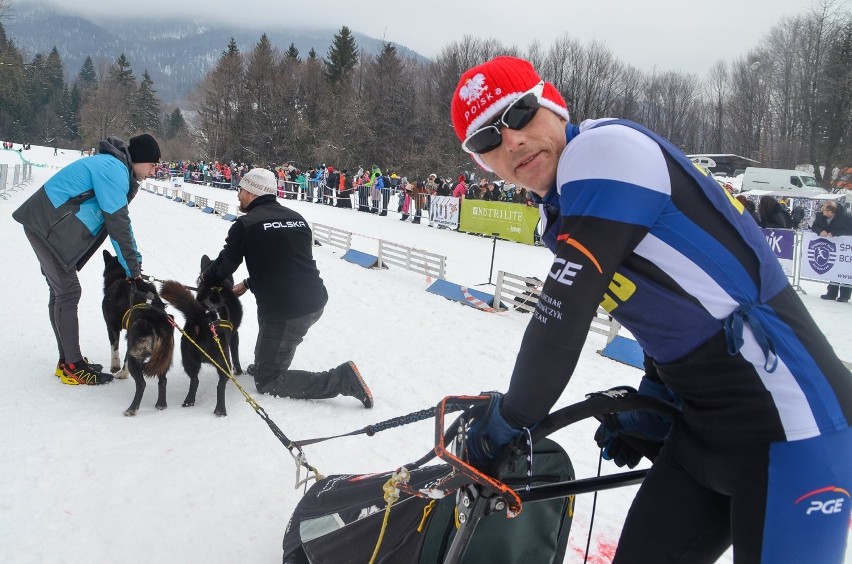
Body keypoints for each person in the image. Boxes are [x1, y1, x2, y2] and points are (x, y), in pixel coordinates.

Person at [451, 56, 851, 563]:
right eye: (486, 139)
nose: (512, 141)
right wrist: (655, 394)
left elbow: (562, 317)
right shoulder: (564, 202)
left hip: (795, 425)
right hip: (704, 427)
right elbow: (668, 304)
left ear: (554, 106)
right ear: (482, 162)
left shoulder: (602, 152)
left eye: (520, 113)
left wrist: (511, 420)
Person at [198, 168, 373, 408]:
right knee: (270, 327)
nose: (238, 195)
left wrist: (204, 278)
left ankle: (341, 379)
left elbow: (223, 268)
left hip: (287, 310)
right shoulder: (296, 218)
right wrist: (250, 283)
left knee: (268, 380)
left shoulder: (246, 224)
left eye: (241, 189)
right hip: (314, 298)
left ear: (251, 191)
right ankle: (265, 362)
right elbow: (286, 263)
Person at [13, 133, 161, 385]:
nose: (154, 172)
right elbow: (118, 223)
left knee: (61, 292)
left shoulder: (115, 167)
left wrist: (131, 264)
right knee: (68, 292)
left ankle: (67, 360)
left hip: (46, 226)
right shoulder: (113, 169)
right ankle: (72, 365)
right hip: (45, 226)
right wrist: (133, 267)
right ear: (141, 160)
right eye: (153, 165)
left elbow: (114, 221)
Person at [811, 200, 852, 302]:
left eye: (824, 209)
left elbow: (849, 230)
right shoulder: (820, 216)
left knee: (845, 271)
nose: (822, 211)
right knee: (833, 269)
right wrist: (820, 231)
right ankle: (831, 293)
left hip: (844, 248)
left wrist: (835, 233)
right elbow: (814, 225)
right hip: (830, 247)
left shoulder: (846, 217)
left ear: (830, 211)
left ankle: (844, 295)